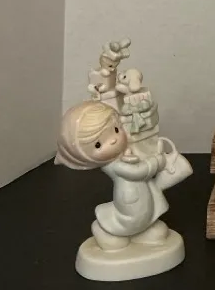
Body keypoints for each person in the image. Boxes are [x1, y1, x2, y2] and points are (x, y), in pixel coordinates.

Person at [55, 101, 171, 249]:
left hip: (141, 195)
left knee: (147, 215)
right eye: (98, 144)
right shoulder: (114, 165)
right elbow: (138, 172)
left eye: (116, 129)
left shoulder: (125, 154)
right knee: (132, 218)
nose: (113, 140)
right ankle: (105, 231)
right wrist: (157, 161)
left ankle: (141, 232)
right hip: (130, 200)